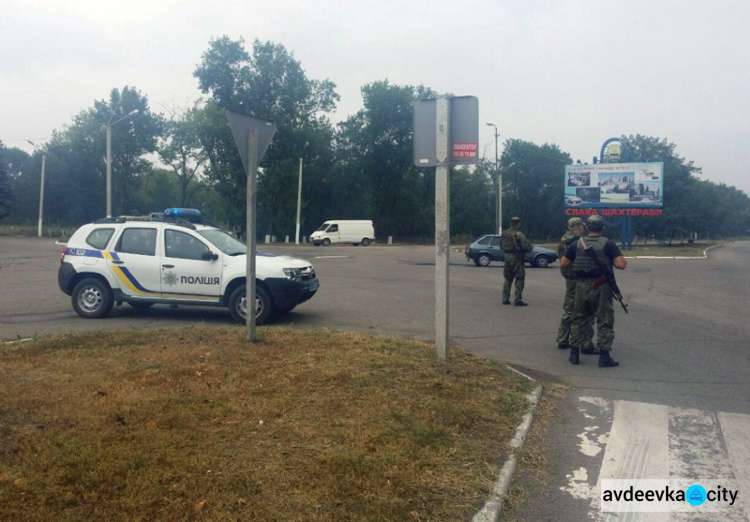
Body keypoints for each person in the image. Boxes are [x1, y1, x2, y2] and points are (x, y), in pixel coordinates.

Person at [559, 215, 627, 367]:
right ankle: (604, 357)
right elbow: (621, 264)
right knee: (604, 320)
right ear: (602, 228)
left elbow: (564, 263)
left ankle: (574, 354)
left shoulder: (577, 244)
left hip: (581, 286)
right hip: (601, 287)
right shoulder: (608, 244)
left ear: (587, 228)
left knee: (579, 319)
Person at [555, 217, 595, 351]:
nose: (583, 229)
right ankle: (584, 342)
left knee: (569, 309)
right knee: (586, 310)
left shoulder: (562, 241)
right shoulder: (579, 242)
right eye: (582, 227)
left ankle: (562, 339)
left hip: (569, 278)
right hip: (581, 278)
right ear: (578, 227)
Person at [500, 216, 533, 306]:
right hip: (517, 258)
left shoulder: (505, 233)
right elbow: (526, 246)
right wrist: (530, 248)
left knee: (507, 278)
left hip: (507, 257)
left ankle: (505, 298)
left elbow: (501, 246)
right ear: (518, 224)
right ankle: (518, 299)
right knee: (519, 278)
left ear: (510, 223)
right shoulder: (519, 234)